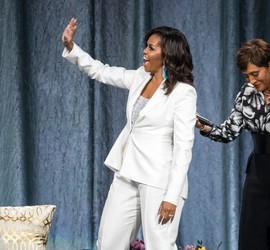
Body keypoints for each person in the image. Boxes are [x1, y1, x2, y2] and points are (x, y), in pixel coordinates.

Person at [61, 18, 197, 250]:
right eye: (146, 46)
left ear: (167, 55)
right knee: (109, 243)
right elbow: (100, 71)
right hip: (127, 172)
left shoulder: (183, 93)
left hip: (159, 181)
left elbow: (184, 149)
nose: (144, 51)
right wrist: (72, 47)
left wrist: (171, 197)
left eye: (151, 48)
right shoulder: (139, 77)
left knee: (160, 246)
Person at [196, 39, 270, 249]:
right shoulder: (246, 94)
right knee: (253, 240)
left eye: (255, 74)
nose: (251, 81)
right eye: (246, 76)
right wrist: (204, 127)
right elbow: (229, 131)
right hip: (257, 174)